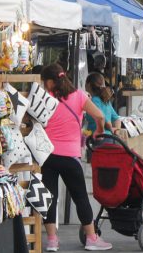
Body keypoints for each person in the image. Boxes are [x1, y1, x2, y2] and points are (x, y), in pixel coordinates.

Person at [40, 64, 112, 251]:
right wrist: (98, 131)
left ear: (49, 81)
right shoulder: (80, 96)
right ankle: (91, 238)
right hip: (70, 156)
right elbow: (100, 116)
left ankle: (52, 241)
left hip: (48, 155)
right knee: (80, 197)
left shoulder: (46, 98)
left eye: (44, 81)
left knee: (49, 198)